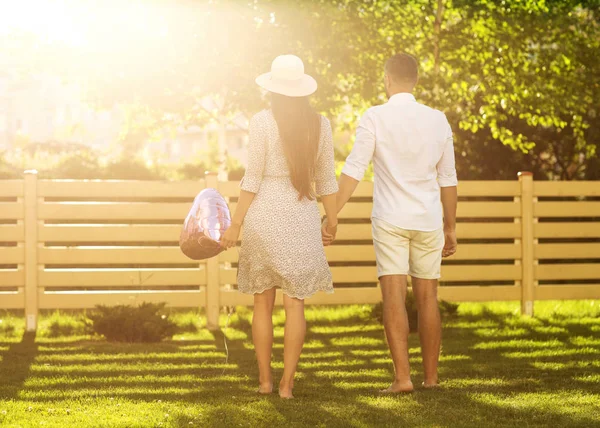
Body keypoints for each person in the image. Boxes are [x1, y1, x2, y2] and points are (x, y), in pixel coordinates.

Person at [322, 53, 458, 393]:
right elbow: (448, 178)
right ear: (415, 80)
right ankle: (430, 379)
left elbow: (354, 168)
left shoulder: (375, 117)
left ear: (387, 80)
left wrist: (333, 214)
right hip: (428, 219)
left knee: (394, 295)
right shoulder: (438, 119)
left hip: (390, 220)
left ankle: (402, 379)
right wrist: (451, 227)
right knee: (428, 297)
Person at [221, 54, 339, 399]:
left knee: (262, 302)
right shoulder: (321, 125)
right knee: (295, 303)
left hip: (264, 215)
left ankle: (264, 382)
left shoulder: (261, 121)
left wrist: (236, 224)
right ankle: (287, 385)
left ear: (272, 88)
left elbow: (252, 177)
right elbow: (327, 179)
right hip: (301, 215)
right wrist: (331, 220)